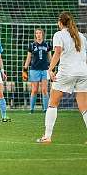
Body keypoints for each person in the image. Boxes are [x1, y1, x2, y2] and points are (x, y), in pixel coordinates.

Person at [37, 11, 87, 144]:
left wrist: (50, 68)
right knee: (84, 108)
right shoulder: (81, 36)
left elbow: (57, 51)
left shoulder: (59, 35)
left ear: (60, 23)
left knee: (52, 103)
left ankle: (47, 136)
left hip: (67, 72)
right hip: (83, 72)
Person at [23, 28, 52, 113]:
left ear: (43, 34)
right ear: (35, 35)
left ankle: (46, 109)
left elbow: (50, 57)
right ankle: (31, 109)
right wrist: (24, 69)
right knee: (34, 90)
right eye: (37, 33)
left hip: (45, 69)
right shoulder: (32, 45)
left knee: (44, 90)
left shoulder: (47, 44)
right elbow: (28, 58)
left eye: (40, 33)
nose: (38, 35)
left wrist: (52, 68)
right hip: (34, 69)